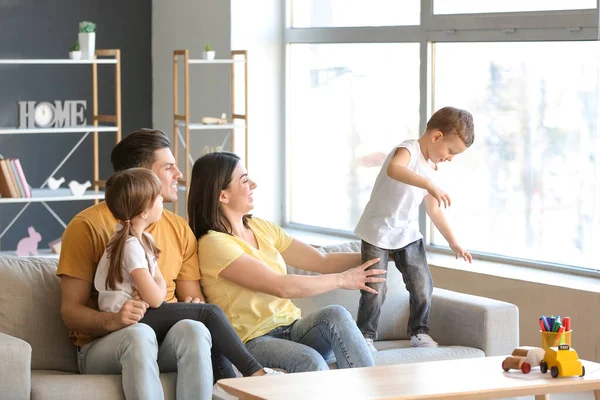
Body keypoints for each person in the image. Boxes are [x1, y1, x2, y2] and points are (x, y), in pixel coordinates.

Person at [187, 151, 387, 373]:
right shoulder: (214, 244)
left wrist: (382, 254)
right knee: (310, 361)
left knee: (336, 314)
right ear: (222, 195)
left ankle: (372, 391)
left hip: (293, 328)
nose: (253, 184)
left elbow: (321, 260)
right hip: (253, 341)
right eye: (244, 180)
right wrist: (342, 280)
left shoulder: (261, 228)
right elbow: (281, 286)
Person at [57, 129, 216, 400]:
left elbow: (191, 297)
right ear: (141, 176)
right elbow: (71, 311)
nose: (179, 174)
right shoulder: (86, 226)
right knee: (138, 335)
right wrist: (115, 320)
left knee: (196, 328)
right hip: (104, 346)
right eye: (168, 167)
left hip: (162, 337)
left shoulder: (178, 228)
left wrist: (194, 305)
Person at [95, 167, 281, 379]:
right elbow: (156, 299)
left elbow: (153, 292)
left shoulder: (143, 239)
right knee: (209, 313)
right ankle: (255, 372)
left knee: (204, 319)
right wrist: (157, 283)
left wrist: (154, 285)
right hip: (131, 321)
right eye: (157, 198)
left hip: (143, 313)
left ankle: (232, 383)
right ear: (144, 211)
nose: (162, 203)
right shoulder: (131, 246)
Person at [354, 106, 475, 352]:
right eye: (451, 151)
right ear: (437, 137)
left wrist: (454, 242)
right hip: (378, 231)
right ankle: (364, 336)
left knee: (422, 284)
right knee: (375, 287)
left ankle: (419, 331)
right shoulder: (407, 149)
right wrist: (428, 183)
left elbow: (434, 210)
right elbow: (394, 169)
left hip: (407, 233)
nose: (450, 158)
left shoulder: (432, 168)